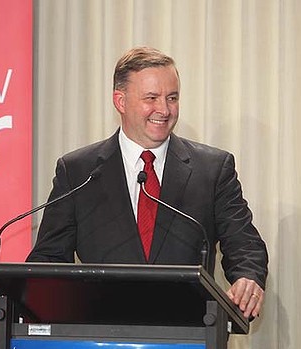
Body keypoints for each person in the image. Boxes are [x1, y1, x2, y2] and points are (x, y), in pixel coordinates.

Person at [26, 46, 268, 319]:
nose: (164, 110)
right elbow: (48, 259)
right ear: (120, 101)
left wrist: (248, 278)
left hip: (190, 332)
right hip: (102, 332)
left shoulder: (212, 169)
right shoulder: (78, 172)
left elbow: (244, 244)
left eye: (172, 98)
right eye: (151, 98)